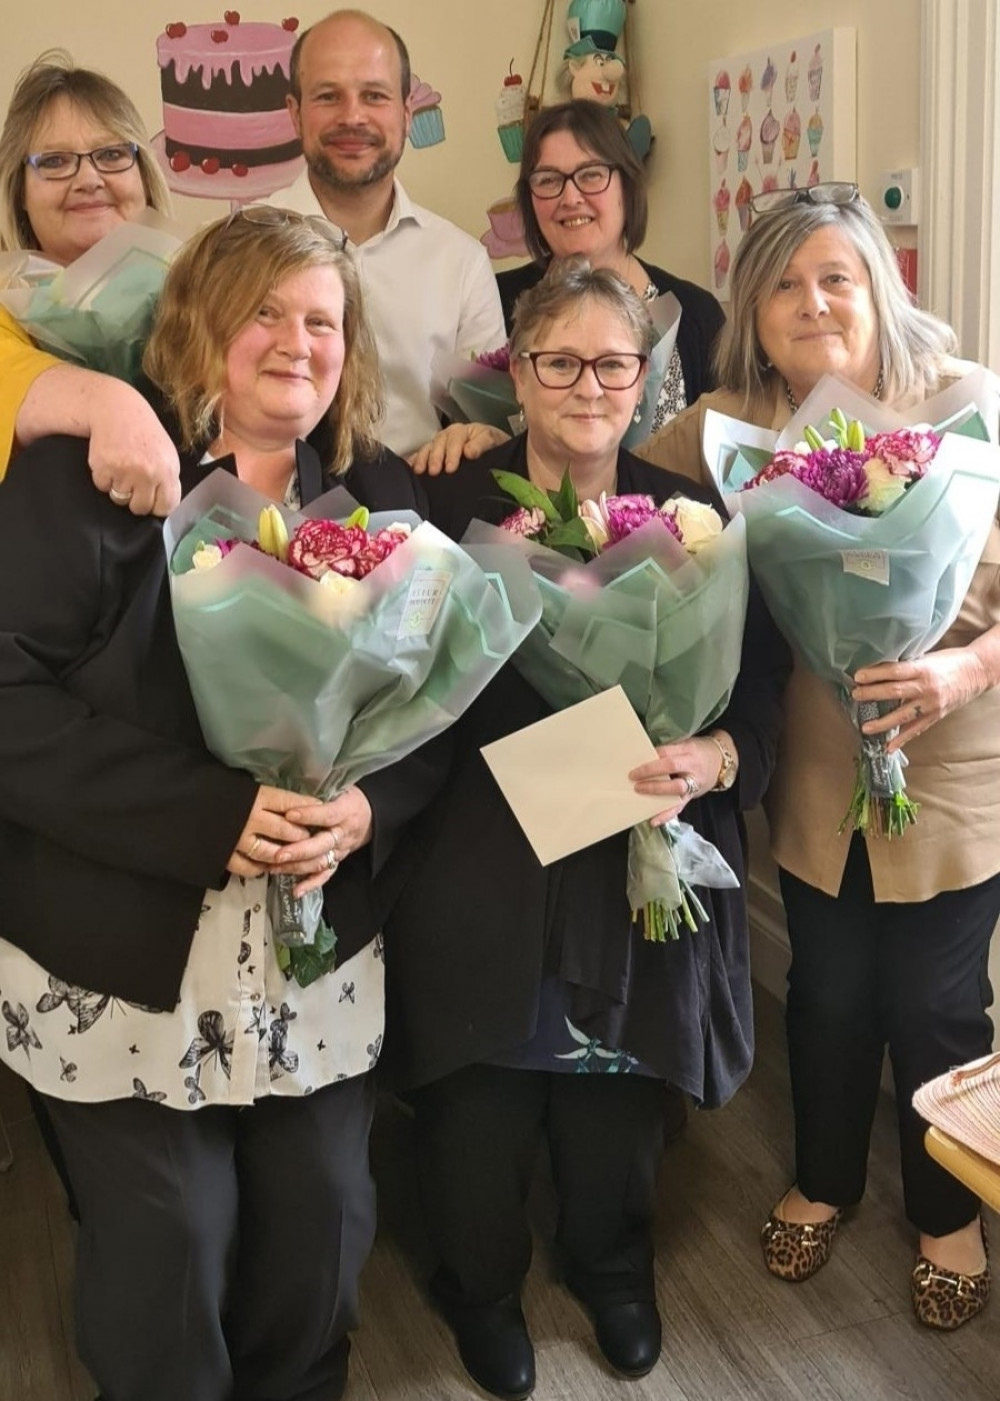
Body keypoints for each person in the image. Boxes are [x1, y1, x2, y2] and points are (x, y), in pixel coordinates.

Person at [0, 208, 432, 1401]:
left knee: (325, 1219)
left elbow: (440, 713)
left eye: (322, 320)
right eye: (264, 312)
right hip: (123, 948)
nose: (296, 342)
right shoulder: (89, 479)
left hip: (307, 950)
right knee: (172, 1242)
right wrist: (205, 814)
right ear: (202, 320)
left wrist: (371, 811)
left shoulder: (381, 492)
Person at [382, 259, 788, 1399]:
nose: (588, 383)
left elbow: (754, 696)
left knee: (616, 1090)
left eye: (613, 361)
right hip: (488, 849)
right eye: (557, 360)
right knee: (485, 1102)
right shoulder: (446, 508)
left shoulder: (694, 522)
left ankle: (613, 1268)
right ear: (515, 372)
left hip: (634, 848)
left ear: (647, 372)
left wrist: (715, 758)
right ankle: (480, 1285)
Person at [637, 183, 1000, 1330]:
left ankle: (948, 1213)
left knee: (941, 1004)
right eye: (783, 283)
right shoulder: (725, 424)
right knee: (829, 992)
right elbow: (603, 490)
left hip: (954, 762)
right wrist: (478, 442)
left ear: (876, 287)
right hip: (807, 759)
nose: (810, 301)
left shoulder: (965, 407)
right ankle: (827, 1178)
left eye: (834, 276)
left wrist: (965, 671)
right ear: (752, 305)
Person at [410, 98, 724, 474]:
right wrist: (484, 440)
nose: (570, 197)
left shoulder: (696, 315)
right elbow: (461, 439)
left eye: (591, 174)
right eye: (549, 180)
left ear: (626, 185)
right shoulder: (493, 298)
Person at [275, 8, 506, 456]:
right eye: (328, 96)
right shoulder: (233, 247)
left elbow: (492, 425)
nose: (353, 117)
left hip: (424, 511)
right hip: (267, 515)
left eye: (375, 96)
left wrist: (480, 435)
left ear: (406, 113)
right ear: (295, 113)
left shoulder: (461, 264)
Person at [0, 51, 181, 513]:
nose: (88, 178)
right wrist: (109, 401)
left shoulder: (206, 291)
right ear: (19, 193)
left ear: (143, 175)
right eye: (56, 161)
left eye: (112, 154)